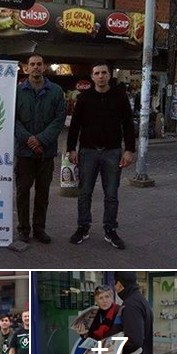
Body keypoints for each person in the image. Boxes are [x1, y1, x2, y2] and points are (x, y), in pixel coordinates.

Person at [67, 62, 136, 249]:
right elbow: (74, 125)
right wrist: (71, 148)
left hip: (112, 152)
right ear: (92, 77)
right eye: (97, 73)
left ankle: (110, 230)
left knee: (111, 194)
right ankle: (83, 227)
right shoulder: (84, 98)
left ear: (110, 75)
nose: (100, 76)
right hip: (88, 151)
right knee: (84, 192)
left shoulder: (119, 96)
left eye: (104, 73)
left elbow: (128, 124)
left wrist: (129, 149)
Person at [14, 53, 66, 244]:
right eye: (32, 64)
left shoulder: (56, 91)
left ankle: (39, 229)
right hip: (24, 152)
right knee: (22, 192)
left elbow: (59, 119)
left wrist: (41, 140)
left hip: (46, 152)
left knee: (43, 193)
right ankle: (23, 229)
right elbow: (13, 119)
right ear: (26, 68)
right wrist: (29, 139)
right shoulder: (17, 91)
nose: (36, 67)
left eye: (39, 64)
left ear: (45, 67)